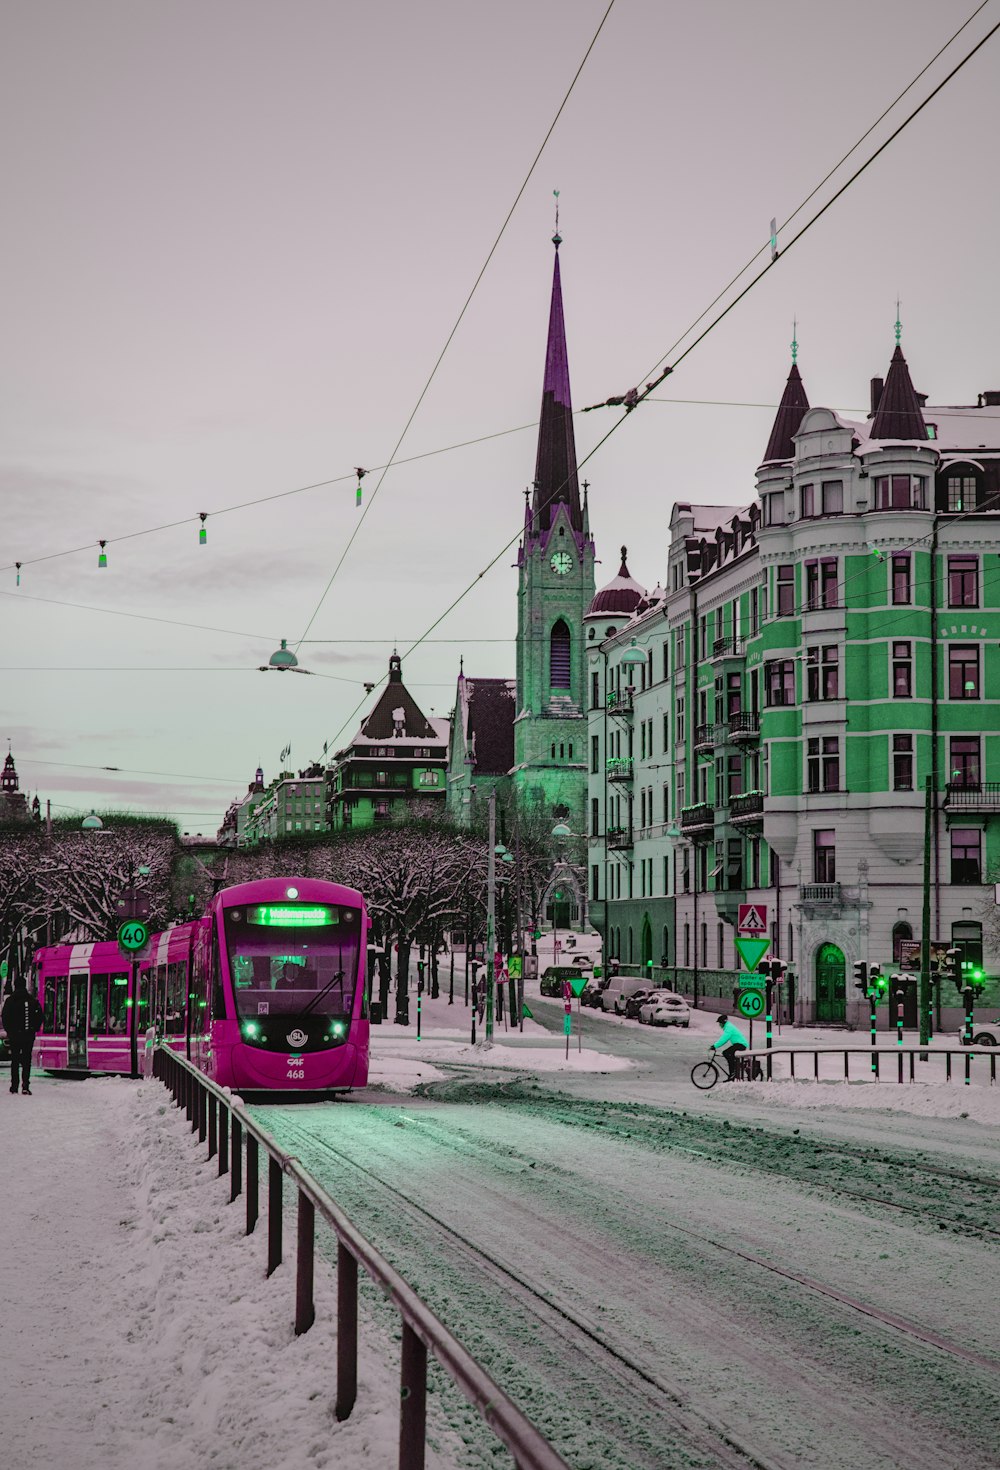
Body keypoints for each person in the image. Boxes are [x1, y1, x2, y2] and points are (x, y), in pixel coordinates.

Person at [2, 976, 44, 1095]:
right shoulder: (32, 1000)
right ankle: (25, 1085)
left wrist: (10, 1031)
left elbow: (5, 1017)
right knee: (26, 1061)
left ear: (15, 986)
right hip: (28, 1035)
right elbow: (40, 1016)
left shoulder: (10, 1001)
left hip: (15, 1036)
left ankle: (14, 1086)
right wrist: (33, 1028)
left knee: (15, 1060)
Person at [712, 1013, 749, 1081]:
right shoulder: (728, 1026)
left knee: (726, 1053)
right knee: (729, 1054)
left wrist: (715, 1046)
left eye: (720, 1023)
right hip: (739, 1044)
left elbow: (724, 1038)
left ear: (723, 1022)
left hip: (740, 1044)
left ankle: (733, 1072)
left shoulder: (729, 1028)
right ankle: (735, 1068)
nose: (719, 1025)